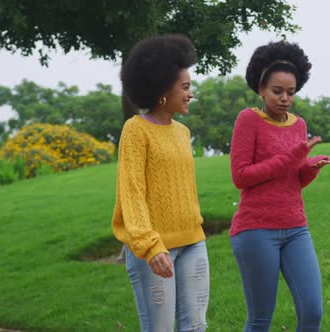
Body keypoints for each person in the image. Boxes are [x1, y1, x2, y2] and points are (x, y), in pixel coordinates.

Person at [229, 40, 330, 332]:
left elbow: (293, 179)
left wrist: (309, 169)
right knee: (261, 319)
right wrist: (293, 157)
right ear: (261, 88)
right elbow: (241, 176)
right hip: (256, 230)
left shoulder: (298, 125)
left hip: (296, 228)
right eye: (277, 91)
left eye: (291, 92)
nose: (285, 98)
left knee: (312, 312)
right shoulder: (248, 120)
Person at [111, 34, 209, 332]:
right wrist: (150, 246)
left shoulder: (182, 132)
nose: (191, 93)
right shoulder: (136, 130)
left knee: (196, 327)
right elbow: (132, 193)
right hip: (153, 250)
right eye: (186, 86)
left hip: (193, 242)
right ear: (163, 89)